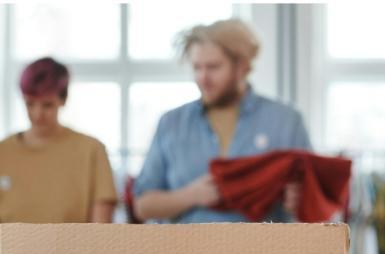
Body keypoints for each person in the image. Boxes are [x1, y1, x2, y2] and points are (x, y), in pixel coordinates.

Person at [0, 57, 117, 254]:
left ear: (63, 100)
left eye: (47, 105)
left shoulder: (91, 151)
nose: (37, 114)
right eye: (30, 104)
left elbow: (99, 234)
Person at [133, 19, 312, 223]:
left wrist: (300, 200)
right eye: (197, 67)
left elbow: (313, 200)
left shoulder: (286, 122)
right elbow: (143, 205)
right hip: (185, 252)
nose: (203, 77)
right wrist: (191, 195)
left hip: (264, 251)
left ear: (242, 66)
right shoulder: (171, 124)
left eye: (213, 67)